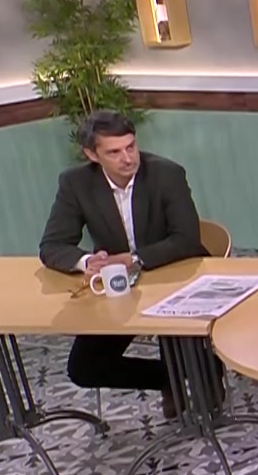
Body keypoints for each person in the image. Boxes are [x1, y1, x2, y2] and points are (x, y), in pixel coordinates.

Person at [38, 110, 207, 412]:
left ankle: (206, 379)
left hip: (174, 275)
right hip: (119, 287)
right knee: (84, 367)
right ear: (92, 154)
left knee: (190, 354)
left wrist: (134, 258)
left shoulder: (167, 174)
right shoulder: (75, 183)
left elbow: (187, 240)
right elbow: (52, 245)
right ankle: (168, 379)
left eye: (131, 146)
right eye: (114, 152)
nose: (128, 158)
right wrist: (87, 262)